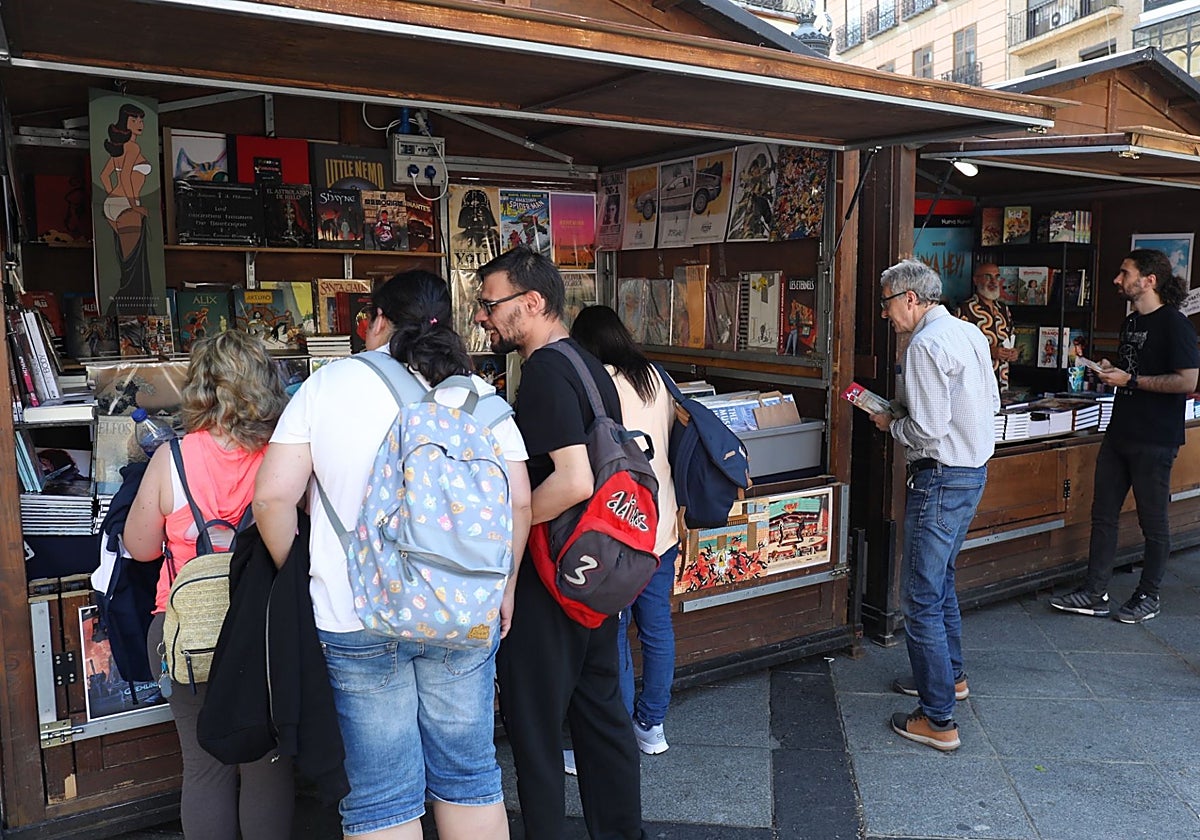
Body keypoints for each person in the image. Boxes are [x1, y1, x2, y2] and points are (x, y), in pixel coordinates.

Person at [253, 269, 530, 840]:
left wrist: (306, 575)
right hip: (461, 613)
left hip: (356, 617)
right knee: (470, 775)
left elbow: (273, 499)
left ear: (377, 320)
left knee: (381, 795)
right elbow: (518, 505)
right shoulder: (479, 397)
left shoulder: (328, 385)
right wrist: (502, 590)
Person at [475, 247, 645, 839]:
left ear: (533, 302)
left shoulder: (545, 370)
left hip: (551, 575)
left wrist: (508, 531)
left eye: (492, 304)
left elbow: (572, 480)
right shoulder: (586, 362)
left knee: (536, 730)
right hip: (592, 570)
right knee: (601, 715)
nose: (483, 317)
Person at [123, 330, 293, 840]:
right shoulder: (282, 456)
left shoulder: (170, 458)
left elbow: (140, 548)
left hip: (184, 635)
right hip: (261, 629)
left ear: (200, 387)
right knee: (267, 764)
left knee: (203, 767)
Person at [871, 259, 999, 752]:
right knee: (941, 579)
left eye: (886, 304)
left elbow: (926, 429)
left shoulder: (924, 345)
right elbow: (988, 402)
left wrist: (890, 424)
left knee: (921, 596)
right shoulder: (968, 332)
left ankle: (938, 717)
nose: (886, 315)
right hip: (971, 471)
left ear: (909, 298)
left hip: (940, 476)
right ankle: (951, 678)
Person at [1050, 249, 1199, 623]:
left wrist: (1130, 380)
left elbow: (1187, 380)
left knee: (1154, 521)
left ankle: (1149, 595)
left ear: (1149, 280)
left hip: (1155, 438)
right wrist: (1111, 370)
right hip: (1119, 432)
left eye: (1124, 272)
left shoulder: (1175, 325)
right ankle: (1094, 591)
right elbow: (1133, 369)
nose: (1117, 280)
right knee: (1103, 515)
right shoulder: (1130, 322)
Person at [570, 305, 681, 757]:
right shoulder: (656, 377)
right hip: (661, 526)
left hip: (615, 530)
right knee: (656, 627)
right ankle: (651, 724)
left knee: (610, 631)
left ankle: (611, 728)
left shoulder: (593, 384)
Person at [98, 102, 153, 304]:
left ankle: (122, 302)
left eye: (141, 119)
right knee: (132, 261)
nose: (139, 123)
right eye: (134, 119)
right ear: (125, 122)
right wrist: (132, 204)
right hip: (126, 206)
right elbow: (127, 177)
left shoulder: (119, 149)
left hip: (113, 204)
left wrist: (112, 197)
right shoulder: (132, 147)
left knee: (126, 258)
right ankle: (125, 302)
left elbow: (105, 176)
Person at [956, 262, 1016, 390]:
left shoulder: (1003, 309)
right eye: (988, 277)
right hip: (977, 385)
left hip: (1003, 382)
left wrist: (1013, 353)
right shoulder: (964, 310)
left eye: (997, 277)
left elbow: (1012, 337)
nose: (994, 281)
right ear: (976, 280)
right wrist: (990, 352)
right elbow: (957, 348)